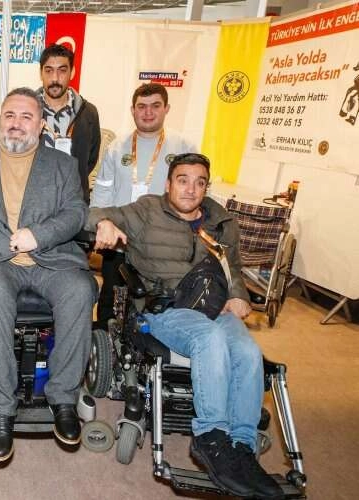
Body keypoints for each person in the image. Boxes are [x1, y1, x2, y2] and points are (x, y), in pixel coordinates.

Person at [88, 153, 283, 499]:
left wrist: (238, 295)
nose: (191, 189)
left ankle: (242, 447)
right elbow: (89, 214)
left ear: (206, 187)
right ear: (168, 184)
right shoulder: (146, 210)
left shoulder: (221, 222)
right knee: (210, 339)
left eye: (199, 182)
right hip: (165, 309)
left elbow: (233, 268)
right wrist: (103, 222)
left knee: (248, 352)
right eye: (182, 180)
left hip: (215, 307)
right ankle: (211, 438)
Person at [0, 87, 96, 461]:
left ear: (40, 125)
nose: (16, 123)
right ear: (0, 120)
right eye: (10, 115)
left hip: (52, 259)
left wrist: (38, 235)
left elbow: (76, 213)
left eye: (27, 116)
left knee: (80, 290)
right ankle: (2, 407)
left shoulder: (63, 165)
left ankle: (63, 397)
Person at [91, 83, 197, 328]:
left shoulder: (183, 147)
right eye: (142, 106)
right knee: (109, 302)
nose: (148, 112)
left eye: (155, 106)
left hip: (164, 245)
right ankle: (104, 344)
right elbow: (102, 192)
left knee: (158, 306)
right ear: (133, 110)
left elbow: (196, 194)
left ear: (166, 109)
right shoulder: (117, 147)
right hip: (120, 243)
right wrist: (101, 221)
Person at [37, 44, 101, 203]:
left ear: (72, 72)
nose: (55, 78)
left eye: (62, 70)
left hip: (73, 201)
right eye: (49, 70)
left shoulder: (88, 112)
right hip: (34, 200)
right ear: (40, 73)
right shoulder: (27, 112)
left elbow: (90, 160)